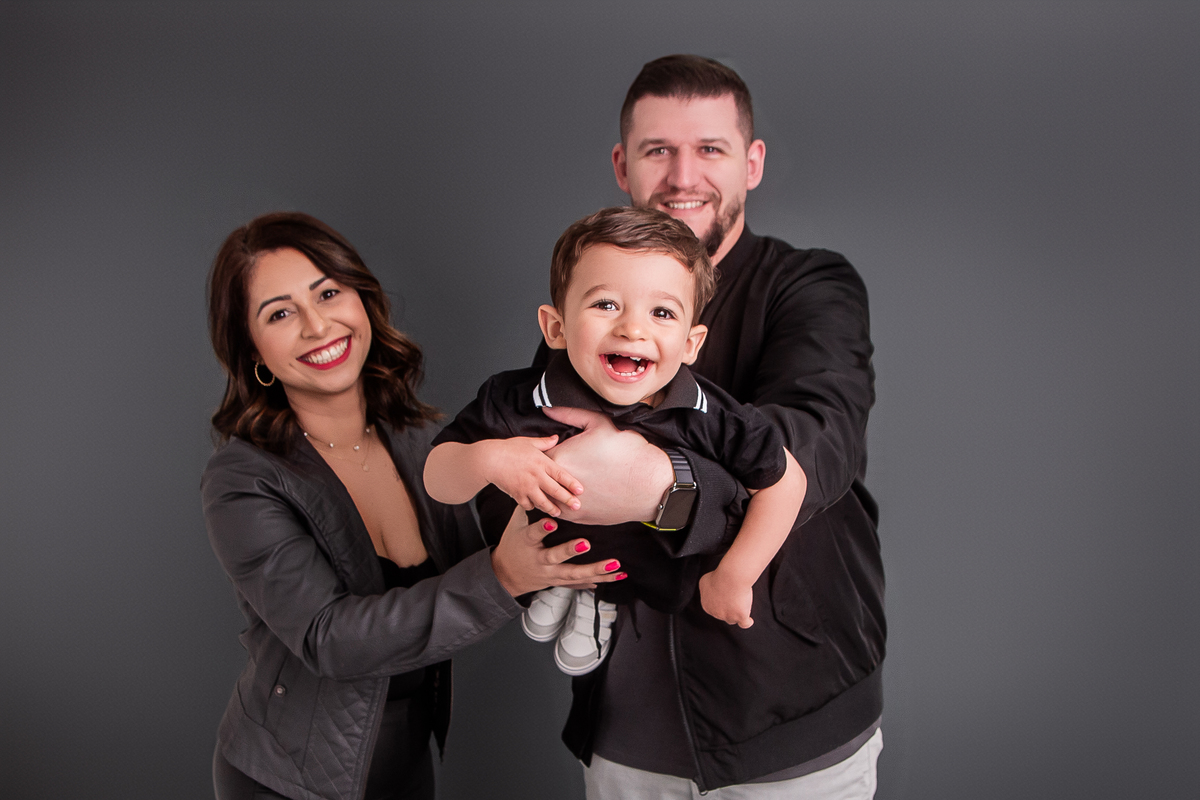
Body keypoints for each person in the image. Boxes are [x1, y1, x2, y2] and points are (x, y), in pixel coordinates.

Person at [533, 56, 886, 797]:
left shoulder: (809, 286)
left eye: (710, 149)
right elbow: (538, 458)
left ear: (751, 163)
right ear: (623, 166)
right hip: (623, 734)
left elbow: (815, 442)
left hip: (790, 728)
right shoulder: (586, 306)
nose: (683, 176)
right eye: (659, 150)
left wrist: (659, 483)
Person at [201, 211, 623, 800]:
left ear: (363, 300)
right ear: (253, 352)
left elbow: (494, 553)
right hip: (288, 779)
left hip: (409, 759)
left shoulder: (419, 440)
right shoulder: (243, 479)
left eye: (328, 293)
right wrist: (503, 576)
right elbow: (330, 639)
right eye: (280, 313)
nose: (317, 325)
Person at [422, 206, 805, 676]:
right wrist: (486, 459)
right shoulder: (517, 398)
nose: (632, 329)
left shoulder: (708, 412)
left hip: (649, 577)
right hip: (541, 553)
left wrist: (735, 575)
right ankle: (563, 585)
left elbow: (787, 483)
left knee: (633, 581)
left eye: (662, 312)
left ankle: (599, 601)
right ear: (556, 327)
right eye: (606, 304)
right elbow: (437, 479)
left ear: (691, 343)